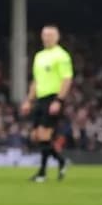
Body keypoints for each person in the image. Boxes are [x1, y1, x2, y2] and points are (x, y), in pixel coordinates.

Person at [20, 25, 72, 183]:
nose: (46, 38)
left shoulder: (62, 56)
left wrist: (59, 100)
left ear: (57, 37)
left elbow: (67, 79)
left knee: (44, 135)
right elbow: (36, 81)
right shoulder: (39, 56)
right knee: (36, 136)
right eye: (44, 35)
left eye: (50, 35)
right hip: (40, 99)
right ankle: (61, 161)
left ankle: (42, 173)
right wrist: (29, 100)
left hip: (53, 98)